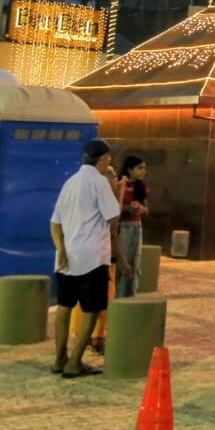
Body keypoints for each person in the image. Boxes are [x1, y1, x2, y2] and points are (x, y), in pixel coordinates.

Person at [49, 140, 126, 378]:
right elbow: (113, 216)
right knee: (91, 310)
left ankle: (60, 358)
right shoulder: (99, 182)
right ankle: (74, 362)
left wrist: (61, 249)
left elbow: (55, 222)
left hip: (67, 258)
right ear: (103, 160)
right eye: (108, 159)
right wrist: (118, 191)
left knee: (64, 307)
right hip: (92, 257)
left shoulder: (70, 182)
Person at [115, 155, 149, 299]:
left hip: (136, 226)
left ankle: (130, 295)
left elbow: (147, 210)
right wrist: (127, 208)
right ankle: (117, 295)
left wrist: (140, 209)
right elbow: (114, 207)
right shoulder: (119, 184)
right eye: (139, 168)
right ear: (129, 169)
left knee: (135, 261)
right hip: (122, 227)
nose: (143, 171)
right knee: (123, 261)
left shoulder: (140, 187)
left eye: (144, 168)